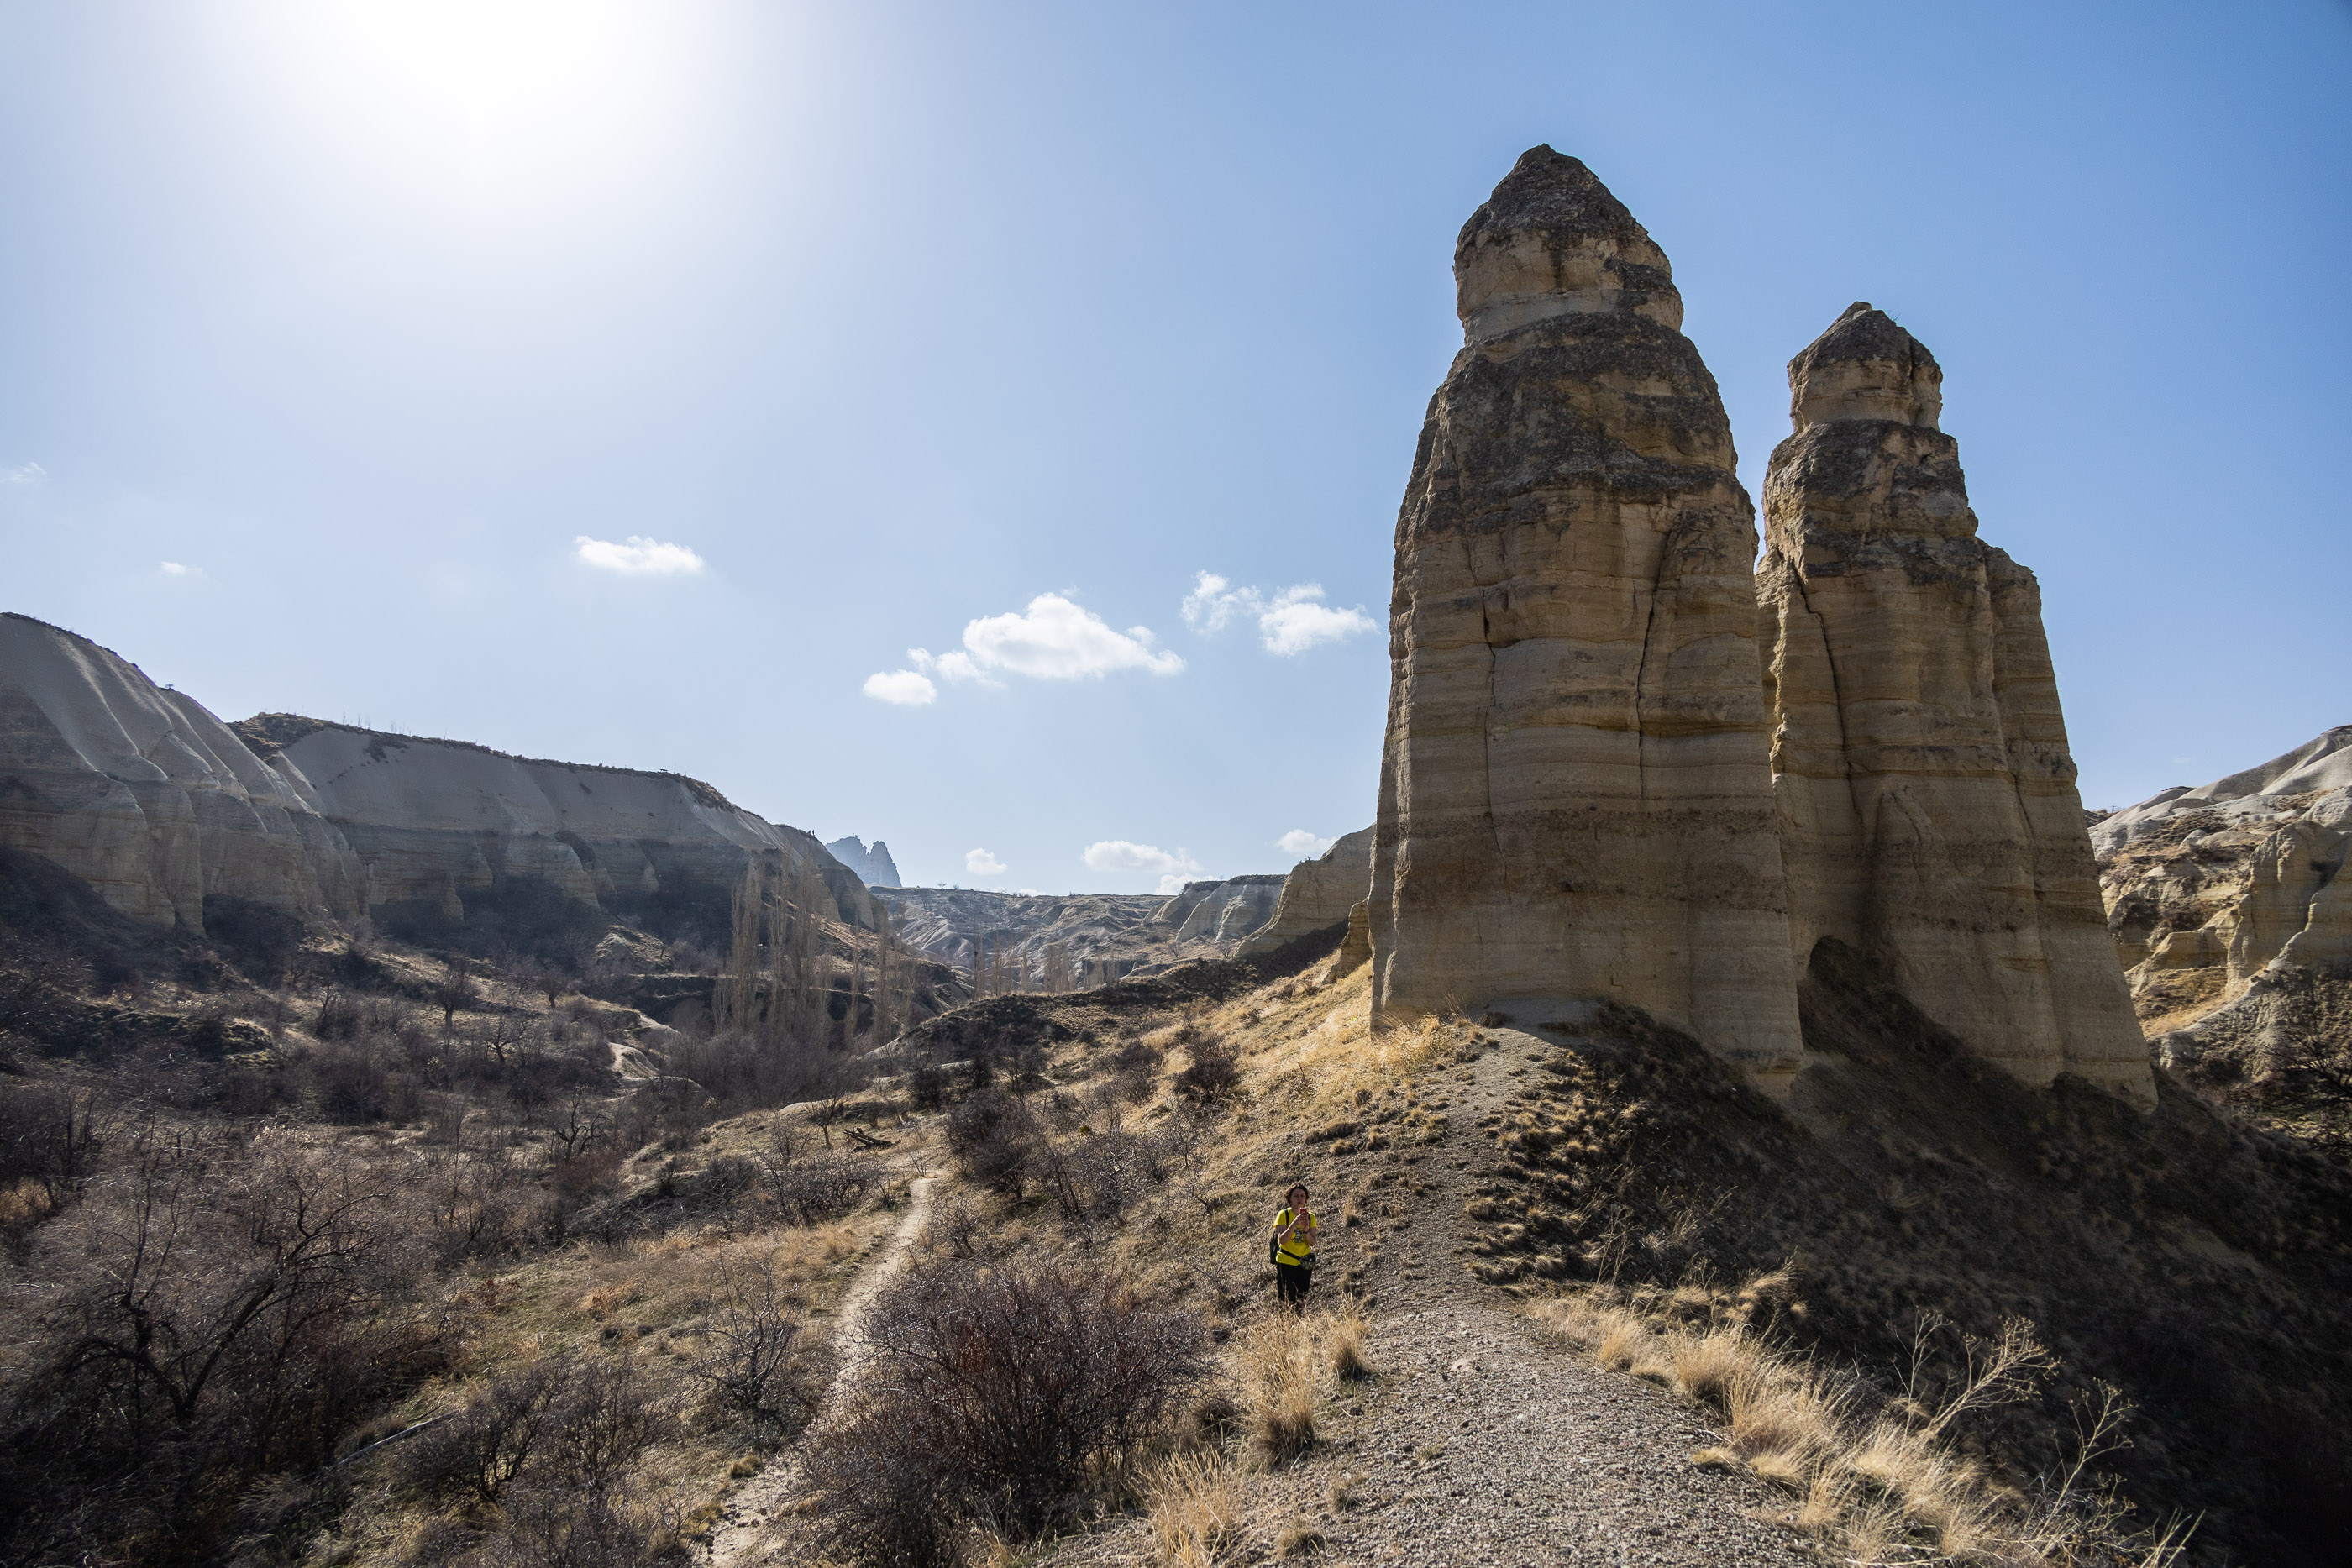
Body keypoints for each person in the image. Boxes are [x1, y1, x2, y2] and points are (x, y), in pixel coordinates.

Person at [1269, 1183, 1318, 1308]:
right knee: (1285, 1300)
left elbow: (1312, 1242)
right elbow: (1282, 1240)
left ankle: (1298, 1325)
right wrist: (1295, 1223)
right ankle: (1285, 1325)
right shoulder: (1283, 1215)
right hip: (1286, 1262)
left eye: (1302, 1196)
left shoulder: (1311, 1217)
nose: (1299, 1199)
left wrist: (1306, 1229)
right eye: (1295, 1196)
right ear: (1290, 1198)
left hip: (1304, 1264)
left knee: (1301, 1299)